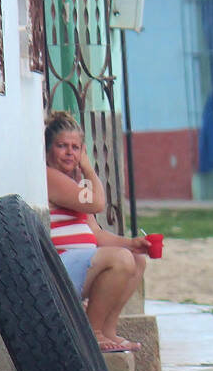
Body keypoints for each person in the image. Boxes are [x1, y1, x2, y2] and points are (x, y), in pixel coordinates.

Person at [44, 110, 149, 353]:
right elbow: (98, 203)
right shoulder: (50, 177)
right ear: (48, 150)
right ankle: (92, 334)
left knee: (135, 260)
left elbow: (96, 234)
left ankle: (107, 331)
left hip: (82, 266)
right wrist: (89, 170)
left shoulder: (74, 185)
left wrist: (132, 244)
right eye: (62, 146)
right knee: (120, 259)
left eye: (76, 147)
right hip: (60, 269)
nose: (70, 152)